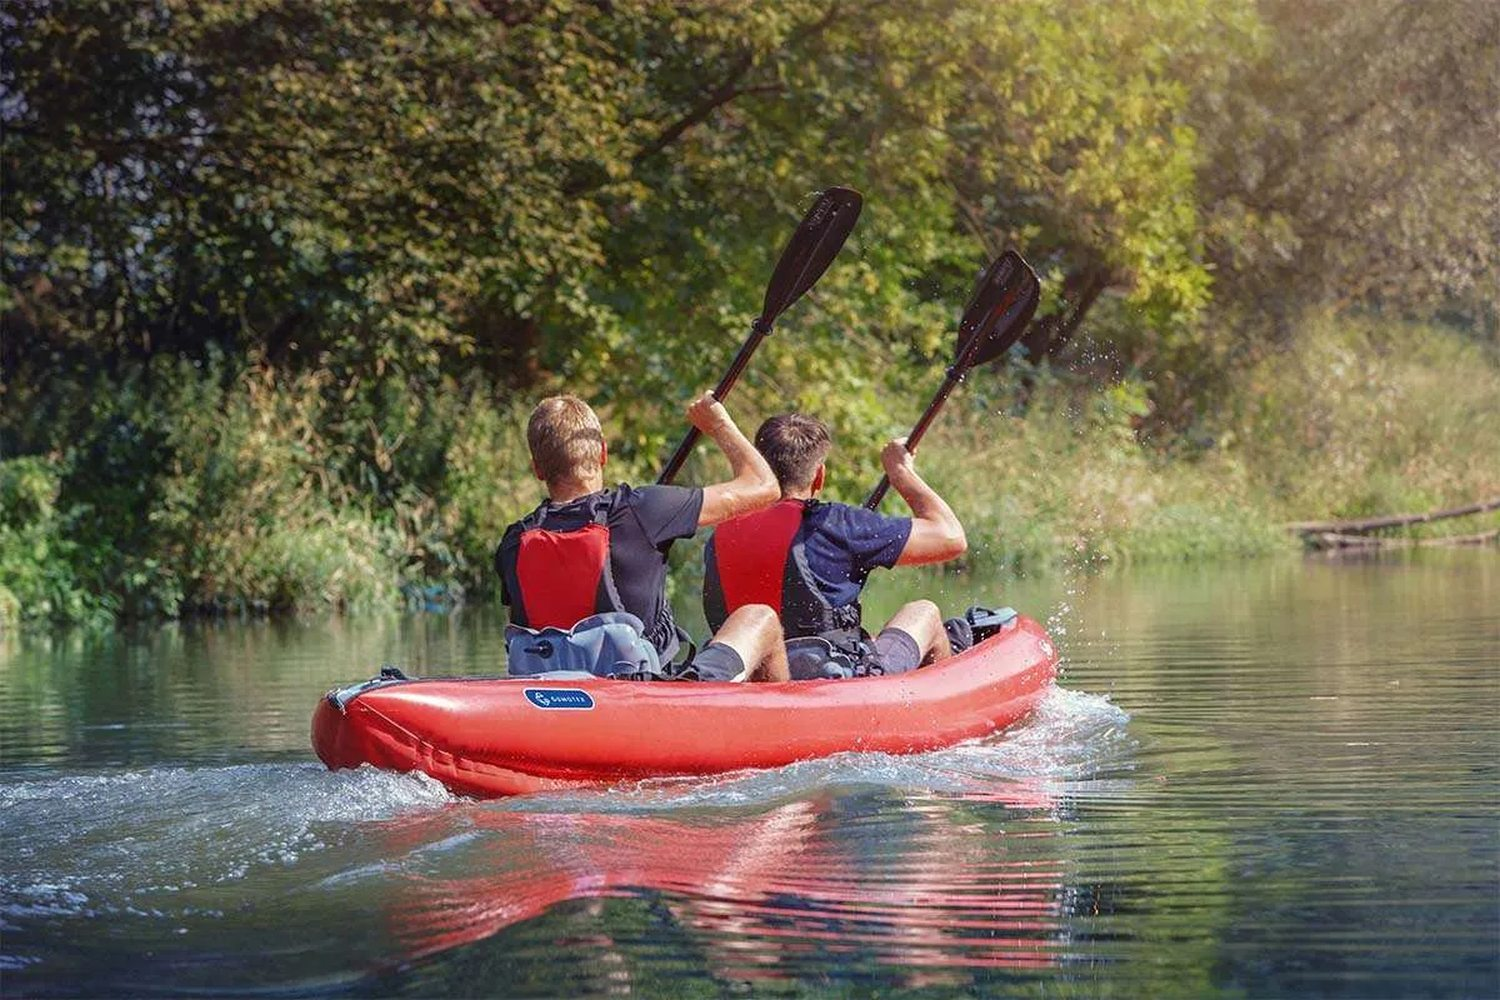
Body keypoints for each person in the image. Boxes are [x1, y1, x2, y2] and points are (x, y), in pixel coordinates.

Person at [496, 392, 790, 682]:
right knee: (759, 618)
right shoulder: (642, 510)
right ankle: (783, 710)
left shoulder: (514, 541)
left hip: (550, 695)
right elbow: (764, 487)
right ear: (603, 453)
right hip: (645, 693)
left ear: (537, 470)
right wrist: (718, 425)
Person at [703, 413, 967, 675]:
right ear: (819, 476)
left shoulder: (721, 534)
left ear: (759, 468)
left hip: (754, 676)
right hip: (830, 680)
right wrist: (900, 472)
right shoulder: (834, 524)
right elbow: (950, 536)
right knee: (924, 613)